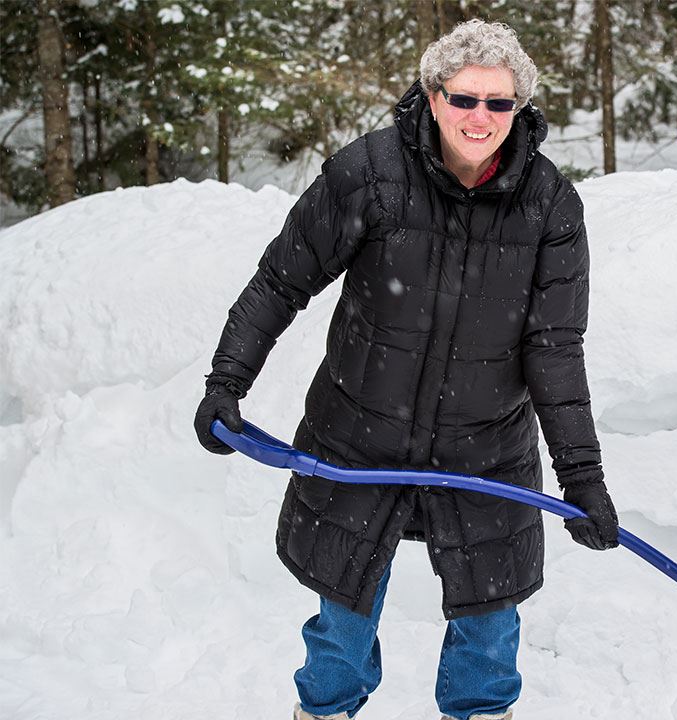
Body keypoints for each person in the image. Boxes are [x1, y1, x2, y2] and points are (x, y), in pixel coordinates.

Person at [194, 19, 618, 720]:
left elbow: (554, 350)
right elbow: (280, 282)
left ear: (521, 108)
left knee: (489, 629)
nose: (480, 117)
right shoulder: (367, 175)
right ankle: (324, 713)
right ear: (431, 93)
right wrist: (226, 382)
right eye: (464, 98)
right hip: (358, 439)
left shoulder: (550, 208)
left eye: (499, 103)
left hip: (486, 452)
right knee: (342, 628)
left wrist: (583, 478)